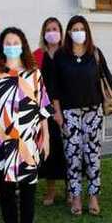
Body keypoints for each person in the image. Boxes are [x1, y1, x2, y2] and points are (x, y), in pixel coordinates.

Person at [0, 27, 53, 223]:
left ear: (23, 45)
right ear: (2, 46)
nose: (12, 46)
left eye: (16, 42)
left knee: (29, 187)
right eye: (8, 42)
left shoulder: (34, 73)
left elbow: (43, 108)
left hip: (29, 141)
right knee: (6, 189)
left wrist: (47, 138)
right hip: (2, 141)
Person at [49, 15, 112, 216]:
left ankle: (93, 197)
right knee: (72, 156)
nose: (78, 32)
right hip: (69, 112)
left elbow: (109, 78)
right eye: (74, 29)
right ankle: (76, 197)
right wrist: (57, 112)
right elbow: (54, 87)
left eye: (82, 28)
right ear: (69, 32)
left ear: (87, 31)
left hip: (94, 111)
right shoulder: (61, 56)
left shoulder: (95, 54)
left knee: (93, 155)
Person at [33, 17, 68, 206]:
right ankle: (51, 190)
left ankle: (72, 190)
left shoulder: (68, 53)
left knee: (69, 150)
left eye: (55, 28)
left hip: (68, 107)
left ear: (61, 32)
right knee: (50, 150)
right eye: (48, 29)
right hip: (45, 110)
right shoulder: (37, 55)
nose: (51, 32)